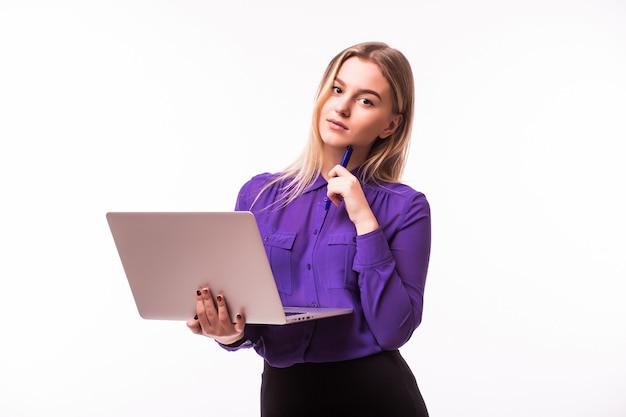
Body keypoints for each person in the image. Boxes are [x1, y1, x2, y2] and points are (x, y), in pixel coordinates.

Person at [187, 41, 431, 417]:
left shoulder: (405, 207)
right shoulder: (259, 196)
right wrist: (229, 332)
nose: (343, 107)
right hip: (285, 398)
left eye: (366, 100)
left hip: (376, 399)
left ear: (390, 124)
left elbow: (393, 330)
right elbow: (251, 319)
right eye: (337, 89)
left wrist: (365, 220)